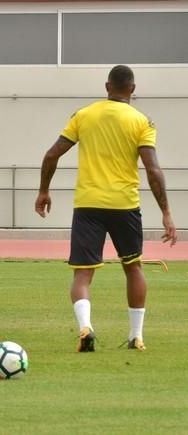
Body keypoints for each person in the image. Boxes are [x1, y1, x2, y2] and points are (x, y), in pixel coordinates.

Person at [35, 65, 177, 353]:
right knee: (133, 267)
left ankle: (85, 327)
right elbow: (153, 169)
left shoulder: (84, 115)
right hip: (125, 204)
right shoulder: (141, 121)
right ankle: (136, 337)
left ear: (107, 86)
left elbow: (51, 154)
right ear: (133, 90)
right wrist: (166, 211)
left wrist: (44, 191)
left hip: (88, 205)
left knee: (82, 275)